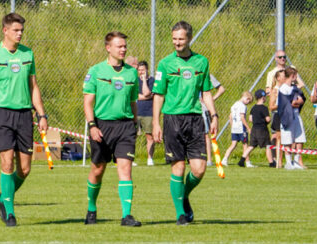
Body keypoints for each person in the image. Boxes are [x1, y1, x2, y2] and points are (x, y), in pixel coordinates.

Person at [0, 13, 47, 227]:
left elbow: (33, 86)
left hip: (24, 115)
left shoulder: (28, 54)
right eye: (16, 30)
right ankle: (10, 213)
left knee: (24, 169)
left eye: (21, 31)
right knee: (7, 163)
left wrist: (41, 114)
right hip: (2, 114)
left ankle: (3, 197)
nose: (19, 34)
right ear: (5, 30)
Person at [152, 21, 218, 225]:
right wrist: (156, 123)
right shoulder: (165, 64)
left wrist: (214, 115)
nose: (177, 42)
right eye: (174, 39)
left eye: (181, 39)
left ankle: (183, 195)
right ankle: (181, 214)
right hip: (172, 119)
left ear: (189, 38)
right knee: (178, 168)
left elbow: (206, 92)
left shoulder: (202, 62)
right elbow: (158, 95)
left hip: (195, 119)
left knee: (199, 169)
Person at [82, 32, 141, 226]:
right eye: (119, 46)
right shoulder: (96, 71)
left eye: (125, 46)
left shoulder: (131, 73)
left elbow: (133, 101)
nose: (123, 49)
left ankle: (127, 215)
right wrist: (92, 126)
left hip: (125, 126)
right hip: (101, 126)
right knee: (98, 169)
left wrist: (135, 121)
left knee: (125, 169)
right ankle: (91, 207)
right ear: (108, 48)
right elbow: (88, 103)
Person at [276, 66, 307, 170]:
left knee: (300, 138)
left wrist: (298, 102)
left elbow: (300, 99)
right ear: (292, 76)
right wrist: (292, 103)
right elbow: (284, 103)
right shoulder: (283, 88)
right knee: (287, 140)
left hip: (296, 116)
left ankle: (297, 160)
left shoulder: (294, 88)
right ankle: (288, 162)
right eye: (296, 76)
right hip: (287, 117)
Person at [136, 61, 157, 165]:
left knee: (149, 136)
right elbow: (138, 96)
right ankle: (130, 159)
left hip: (149, 112)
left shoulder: (153, 81)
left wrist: (144, 80)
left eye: (143, 70)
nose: (141, 72)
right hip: (136, 112)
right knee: (132, 136)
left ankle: (150, 158)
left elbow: (148, 92)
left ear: (147, 69)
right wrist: (147, 96)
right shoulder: (135, 81)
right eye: (139, 70)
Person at [244, 90, 272, 167]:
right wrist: (266, 120)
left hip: (254, 129)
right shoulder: (264, 108)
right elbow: (268, 119)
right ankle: (271, 162)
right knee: (268, 145)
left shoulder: (253, 108)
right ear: (263, 98)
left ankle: (242, 159)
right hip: (262, 129)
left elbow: (250, 119)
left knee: (251, 145)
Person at [225, 91, 252, 167]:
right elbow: (242, 118)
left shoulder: (234, 105)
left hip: (234, 128)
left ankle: (224, 159)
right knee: (245, 145)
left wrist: (232, 126)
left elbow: (230, 117)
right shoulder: (243, 106)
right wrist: (248, 128)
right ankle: (247, 162)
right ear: (246, 98)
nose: (247, 103)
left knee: (233, 144)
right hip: (241, 128)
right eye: (248, 101)